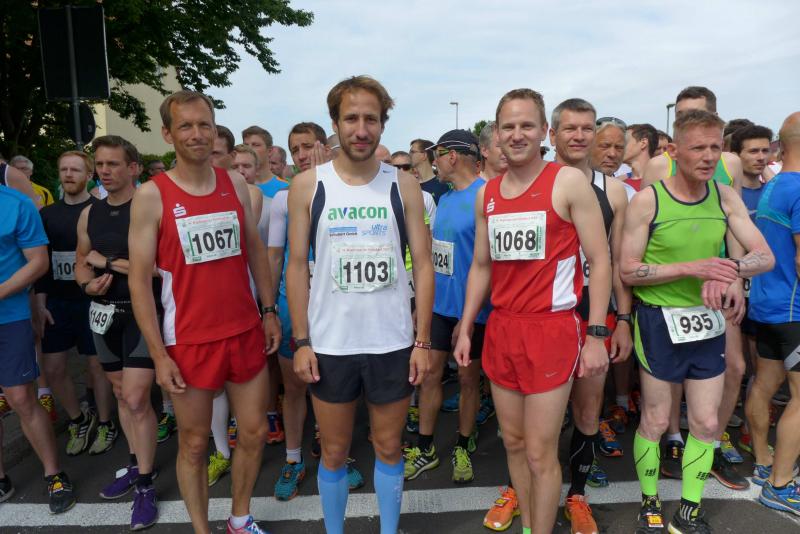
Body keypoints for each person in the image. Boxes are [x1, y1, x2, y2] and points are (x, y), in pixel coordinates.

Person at [454, 88, 612, 534]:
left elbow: (600, 260)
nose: (517, 134)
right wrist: (465, 327)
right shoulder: (487, 193)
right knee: (515, 443)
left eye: (527, 125)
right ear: (497, 134)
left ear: (544, 131)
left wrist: (596, 334)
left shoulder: (567, 182)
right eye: (508, 126)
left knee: (542, 453)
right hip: (502, 329)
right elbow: (482, 265)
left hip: (551, 329)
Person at [129, 90, 280, 534]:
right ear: (167, 134)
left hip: (244, 330)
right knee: (194, 444)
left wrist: (269, 310)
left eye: (204, 125)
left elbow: (254, 249)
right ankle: (201, 529)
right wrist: (158, 354)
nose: (196, 134)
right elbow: (139, 282)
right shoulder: (151, 196)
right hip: (190, 339)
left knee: (253, 432)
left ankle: (239, 518)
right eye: (186, 126)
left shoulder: (234, 184)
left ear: (215, 130)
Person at [287, 75, 432, 534]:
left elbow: (424, 264)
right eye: (351, 118)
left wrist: (422, 340)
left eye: (371, 118)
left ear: (383, 124)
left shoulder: (403, 185)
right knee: (333, 451)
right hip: (331, 343)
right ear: (335, 123)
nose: (361, 128)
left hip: (391, 341)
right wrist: (302, 341)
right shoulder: (307, 185)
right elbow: (296, 266)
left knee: (388, 447)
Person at [620, 109, 773, 533]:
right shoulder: (649, 200)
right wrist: (694, 268)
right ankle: (649, 501)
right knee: (655, 420)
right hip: (658, 320)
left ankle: (688, 509)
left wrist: (729, 272)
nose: (708, 157)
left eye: (715, 147)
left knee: (705, 423)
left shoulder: (725, 197)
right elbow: (628, 270)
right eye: (698, 148)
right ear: (673, 151)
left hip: (707, 320)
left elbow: (764, 256)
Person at [643, 87, 750, 490]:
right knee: (672, 377)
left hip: (719, 286)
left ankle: (711, 441)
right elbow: (651, 232)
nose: (689, 121)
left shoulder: (730, 164)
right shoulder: (659, 167)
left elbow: (734, 225)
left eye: (698, 115)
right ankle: (673, 439)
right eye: (683, 117)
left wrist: (734, 275)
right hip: (672, 293)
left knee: (735, 367)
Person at [547, 99, 633, 534]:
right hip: (545, 312)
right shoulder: (537, 180)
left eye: (587, 129)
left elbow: (615, 261)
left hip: (591, 310)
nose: (579, 136)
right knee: (536, 415)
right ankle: (518, 486)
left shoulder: (613, 191)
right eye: (570, 128)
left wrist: (623, 319)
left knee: (587, 408)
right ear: (553, 135)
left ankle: (577, 495)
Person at [75, 135, 159, 530]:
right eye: (100, 165)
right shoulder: (89, 214)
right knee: (123, 395)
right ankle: (135, 463)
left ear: (133, 168)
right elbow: (81, 261)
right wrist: (86, 284)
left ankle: (146, 484)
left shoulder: (149, 207)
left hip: (142, 313)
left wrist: (107, 262)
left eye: (113, 164)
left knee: (138, 398)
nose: (104, 171)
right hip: (103, 315)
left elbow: (157, 269)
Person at [402, 129, 488, 486]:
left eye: (436, 155)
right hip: (439, 307)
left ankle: (463, 445)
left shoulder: (485, 195)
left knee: (468, 380)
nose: (433, 162)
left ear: (452, 156)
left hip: (474, 311)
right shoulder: (447, 198)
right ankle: (426, 447)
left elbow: (488, 264)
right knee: (430, 375)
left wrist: (467, 318)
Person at [0, 182, 76, 514]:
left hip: (9, 315)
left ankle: (54, 474)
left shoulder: (17, 204)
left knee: (21, 398)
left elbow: (38, 262)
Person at [35, 151, 115, 457]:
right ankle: (79, 420)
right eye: (64, 169)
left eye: (75, 170)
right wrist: (40, 304)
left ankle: (105, 422)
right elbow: (43, 264)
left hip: (91, 300)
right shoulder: (47, 215)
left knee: (97, 366)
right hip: (57, 302)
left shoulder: (99, 210)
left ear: (89, 175)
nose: (68, 175)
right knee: (53, 368)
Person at [745, 112, 800, 517]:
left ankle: (765, 462)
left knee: (764, 385)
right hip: (793, 309)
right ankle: (780, 485)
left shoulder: (773, 184)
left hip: (767, 304)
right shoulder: (797, 187)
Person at [410, 138, 450, 204]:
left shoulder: (444, 185)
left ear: (424, 155)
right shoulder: (409, 186)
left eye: (412, 152)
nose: (409, 155)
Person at [622, 123, 659, 192]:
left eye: (625, 141)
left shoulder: (663, 183)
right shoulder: (619, 185)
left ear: (643, 143)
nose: (620, 146)